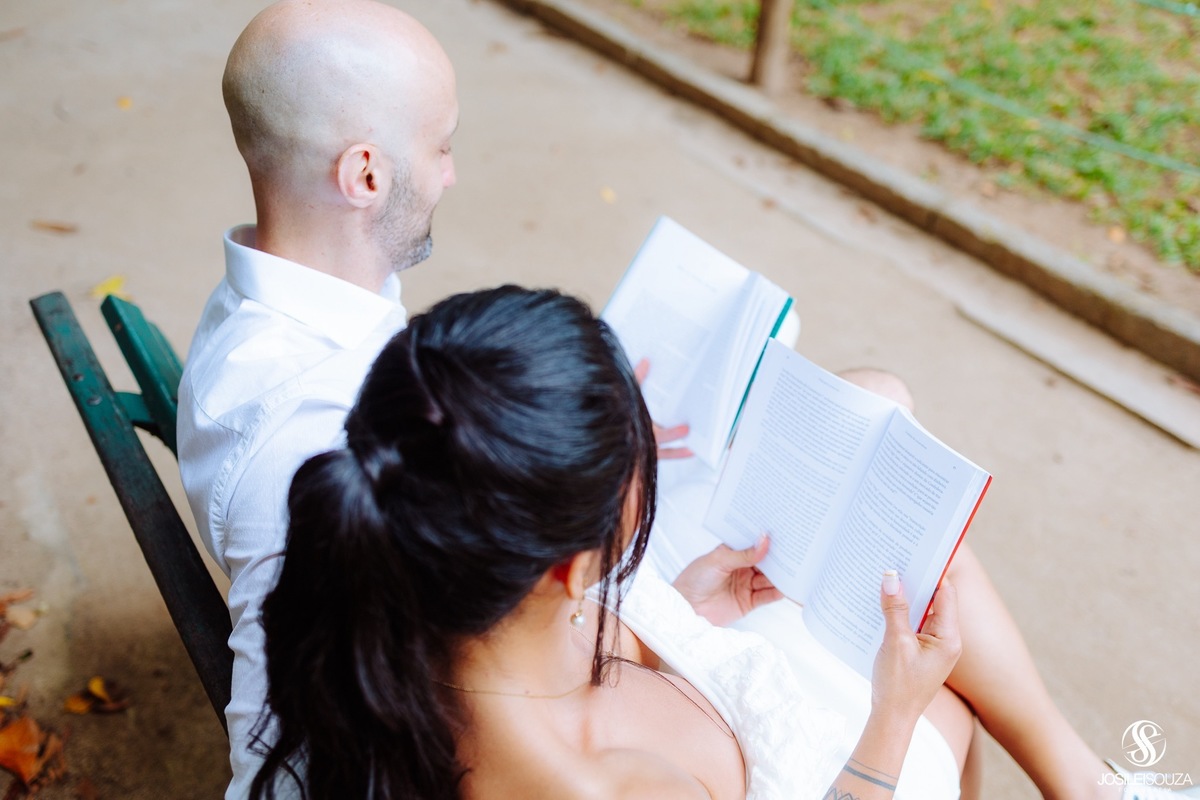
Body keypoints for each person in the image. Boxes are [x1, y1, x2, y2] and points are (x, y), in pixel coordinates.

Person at [250, 285, 1194, 800]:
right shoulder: (600, 787)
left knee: (878, 412)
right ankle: (1082, 784)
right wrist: (896, 716)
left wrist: (687, 608)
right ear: (571, 566)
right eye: (638, 466)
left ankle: (1083, 784)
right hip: (829, 768)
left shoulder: (417, 607)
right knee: (950, 700)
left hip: (715, 677)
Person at [175, 0, 457, 795]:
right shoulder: (312, 440)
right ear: (365, 174)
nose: (450, 174)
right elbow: (278, 763)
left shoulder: (271, 291)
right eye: (443, 146)